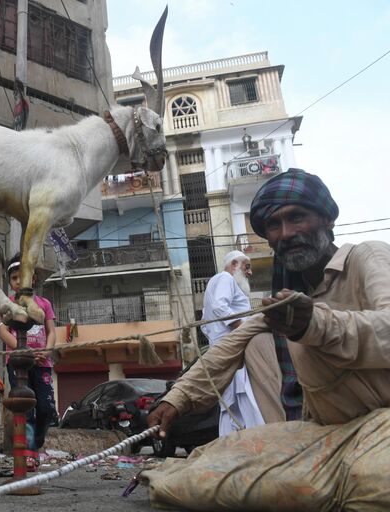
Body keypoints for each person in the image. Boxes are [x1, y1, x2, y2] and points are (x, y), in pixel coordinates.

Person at [143, 168, 390, 510]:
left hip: (383, 423)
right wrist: (176, 399)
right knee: (196, 481)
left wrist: (315, 324)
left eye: (297, 218)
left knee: (374, 484)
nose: (286, 233)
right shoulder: (289, 300)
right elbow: (228, 347)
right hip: (326, 436)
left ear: (327, 220)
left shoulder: (367, 257)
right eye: (274, 225)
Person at [0, 253, 57, 471]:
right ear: (11, 282)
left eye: (22, 277)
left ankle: (37, 444)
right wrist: (22, 351)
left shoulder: (44, 303)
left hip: (42, 363)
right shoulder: (7, 304)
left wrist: (47, 351)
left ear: (32, 278)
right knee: (26, 409)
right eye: (14, 278)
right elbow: (2, 331)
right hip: (18, 362)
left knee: (46, 408)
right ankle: (29, 453)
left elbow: (51, 331)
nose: (18, 282)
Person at [200, 250, 265, 436]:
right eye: (247, 266)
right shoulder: (225, 279)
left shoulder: (218, 282)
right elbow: (219, 306)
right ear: (234, 264)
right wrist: (242, 330)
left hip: (224, 348)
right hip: (233, 348)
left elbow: (206, 323)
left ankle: (235, 444)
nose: (250, 273)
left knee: (231, 403)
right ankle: (253, 443)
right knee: (243, 398)